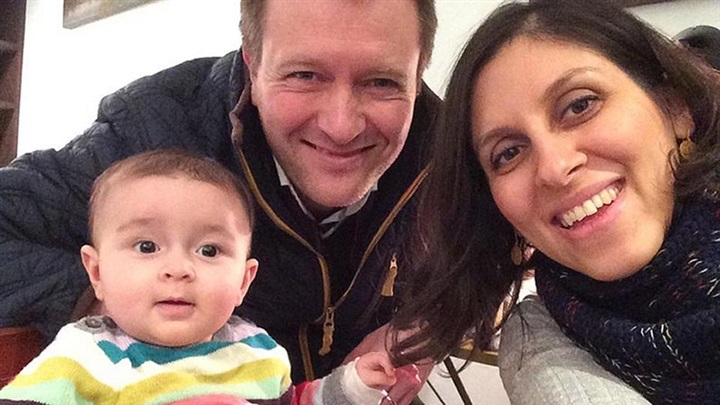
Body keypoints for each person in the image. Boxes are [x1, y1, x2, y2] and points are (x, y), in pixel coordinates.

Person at [0, 0, 441, 393]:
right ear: (253, 63)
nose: (341, 127)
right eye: (304, 75)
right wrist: (115, 299)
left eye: (382, 82)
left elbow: (481, 254)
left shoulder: (452, 145)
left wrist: (422, 330)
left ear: (418, 75)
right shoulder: (151, 131)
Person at [390, 0, 720, 404]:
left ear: (675, 107)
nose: (554, 168)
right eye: (508, 153)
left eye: (580, 105)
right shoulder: (540, 345)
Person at [0, 149, 399, 405]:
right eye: (147, 246)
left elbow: (293, 401)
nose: (179, 269)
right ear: (97, 272)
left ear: (243, 281)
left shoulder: (255, 350)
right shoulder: (82, 358)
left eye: (208, 251)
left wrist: (351, 387)